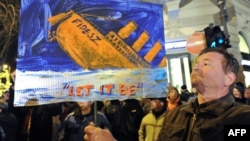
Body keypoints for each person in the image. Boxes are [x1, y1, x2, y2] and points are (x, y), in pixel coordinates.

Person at [83, 48, 250, 141]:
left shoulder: (241, 119)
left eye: (206, 64)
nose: (197, 67)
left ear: (229, 78)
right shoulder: (176, 115)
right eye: (196, 63)